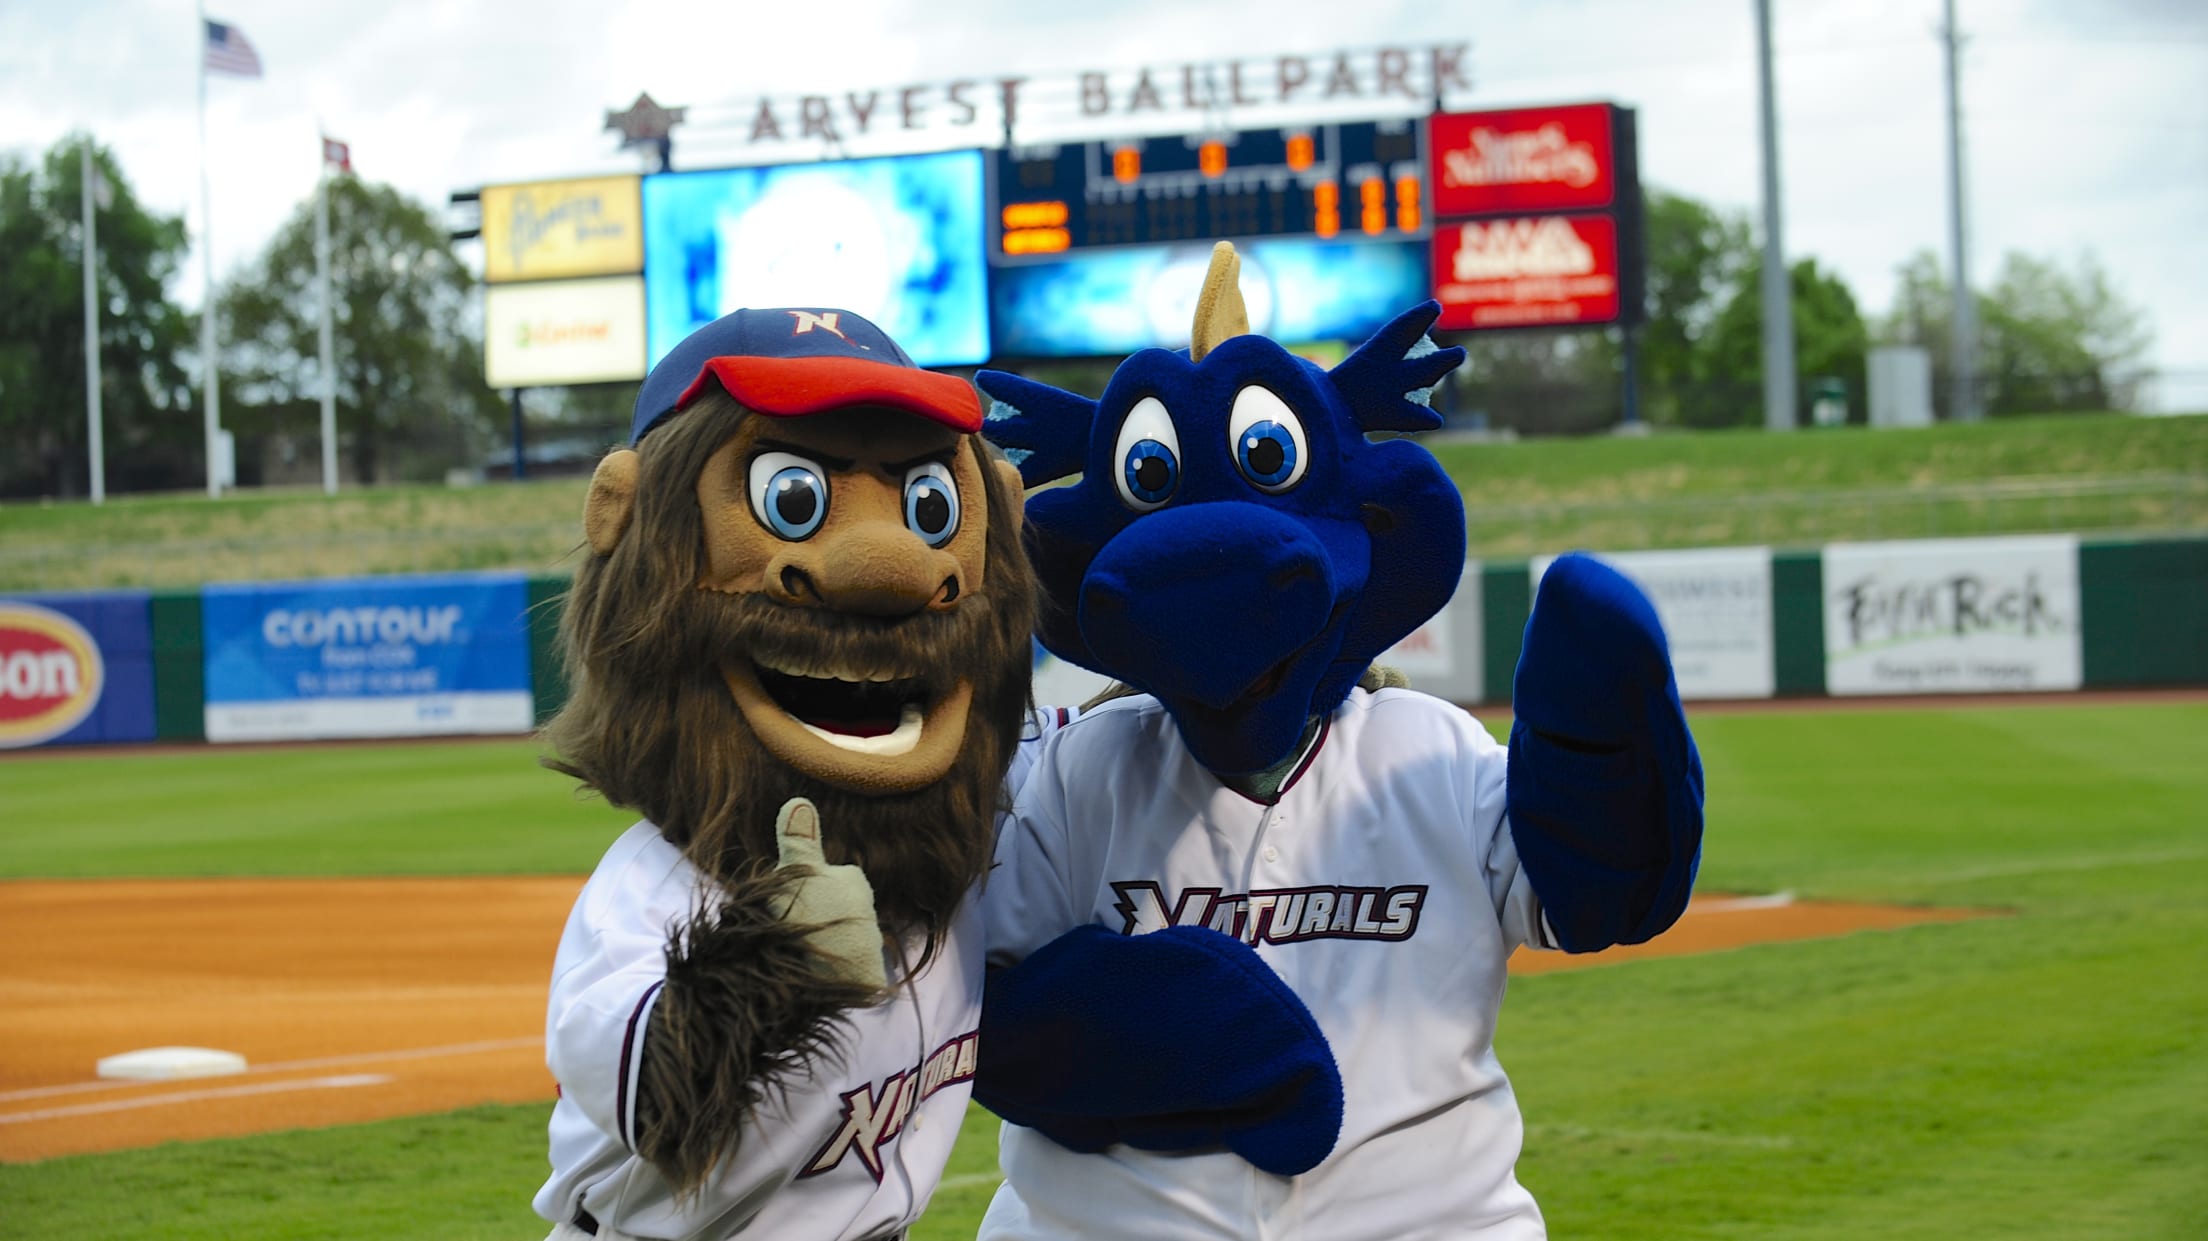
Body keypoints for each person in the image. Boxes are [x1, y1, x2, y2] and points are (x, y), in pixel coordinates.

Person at [534, 305, 1342, 1240]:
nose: (887, 564)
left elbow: (1120, 729)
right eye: (795, 497)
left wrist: (1293, 688)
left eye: (928, 508)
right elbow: (645, 1096)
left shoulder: (963, 837)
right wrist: (765, 967)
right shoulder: (658, 891)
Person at [972, 245, 1705, 1239]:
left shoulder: (1428, 750)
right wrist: (1133, 1029)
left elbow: (1582, 891)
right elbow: (974, 1003)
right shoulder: (1081, 770)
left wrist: (1593, 757)